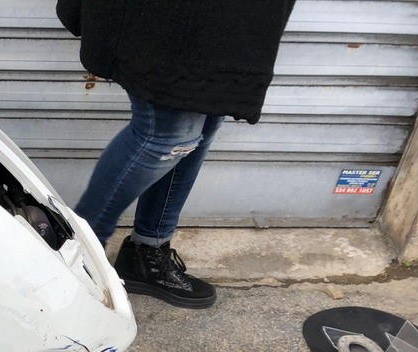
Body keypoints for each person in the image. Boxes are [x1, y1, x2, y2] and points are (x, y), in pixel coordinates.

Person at [57, 0, 297, 308]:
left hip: (236, 17)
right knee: (167, 130)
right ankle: (77, 258)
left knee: (205, 117)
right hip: (174, 16)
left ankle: (146, 254)